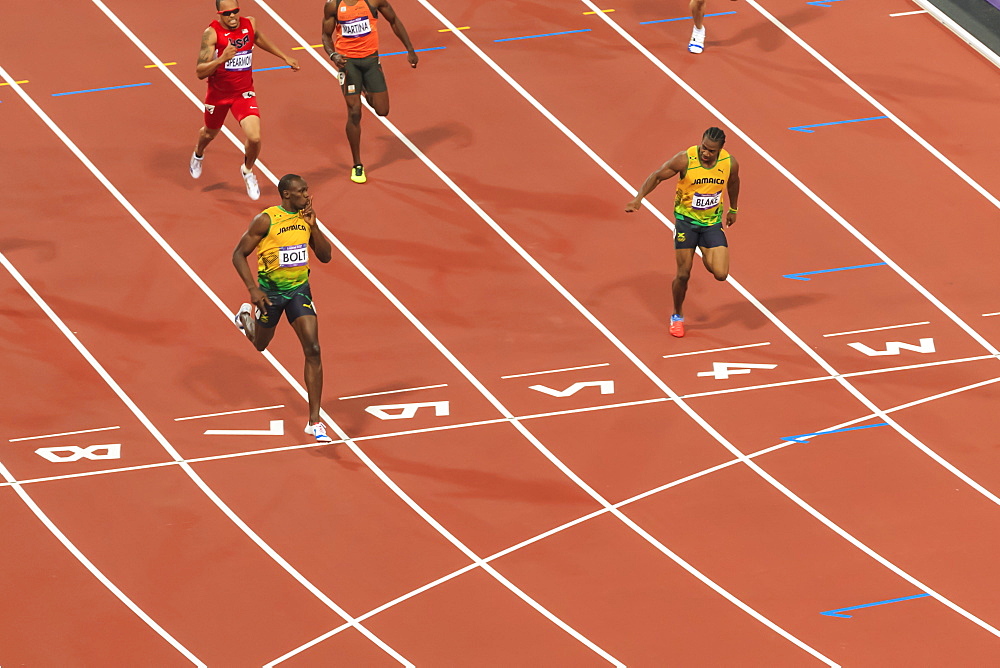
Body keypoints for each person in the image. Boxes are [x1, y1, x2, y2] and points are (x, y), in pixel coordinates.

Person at [232, 174, 335, 442]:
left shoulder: (305, 217)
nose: (307, 195)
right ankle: (246, 318)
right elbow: (238, 254)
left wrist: (314, 227)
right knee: (260, 345)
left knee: (313, 348)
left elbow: (325, 256)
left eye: (307, 190)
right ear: (286, 195)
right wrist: (253, 290)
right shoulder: (266, 220)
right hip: (271, 296)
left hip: (299, 290)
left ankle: (315, 421)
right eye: (302, 191)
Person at [625, 127, 740, 338]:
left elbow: (733, 182)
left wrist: (733, 208)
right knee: (684, 274)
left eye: (711, 151)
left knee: (721, 274)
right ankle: (677, 316)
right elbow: (658, 176)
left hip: (711, 223)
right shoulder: (685, 160)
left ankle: (706, 250)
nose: (705, 153)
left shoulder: (729, 163)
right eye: (704, 148)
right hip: (685, 223)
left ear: (720, 150)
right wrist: (638, 198)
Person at [190, 0, 300, 200]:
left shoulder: (249, 23)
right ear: (219, 14)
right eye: (227, 14)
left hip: (244, 92)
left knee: (255, 137)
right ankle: (198, 153)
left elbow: (258, 38)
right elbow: (199, 72)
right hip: (218, 94)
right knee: (209, 133)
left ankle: (247, 170)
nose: (232, 17)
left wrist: (284, 57)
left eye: (235, 12)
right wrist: (222, 59)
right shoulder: (212, 34)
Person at [321, 0, 418, 184]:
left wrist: (410, 50)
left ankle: (364, 88)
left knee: (382, 110)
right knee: (354, 112)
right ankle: (357, 165)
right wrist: (333, 55)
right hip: (348, 63)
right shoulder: (333, 5)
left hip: (371, 60)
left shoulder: (373, 1)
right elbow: (325, 36)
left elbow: (394, 20)